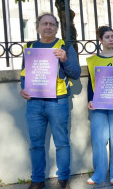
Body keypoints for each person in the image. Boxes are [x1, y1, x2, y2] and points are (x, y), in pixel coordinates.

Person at [19, 13, 81, 189]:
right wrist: (23, 88)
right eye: (44, 24)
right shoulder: (30, 47)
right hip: (34, 102)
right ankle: (37, 180)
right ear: (38, 27)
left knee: (61, 143)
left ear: (56, 27)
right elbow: (24, 72)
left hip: (58, 101)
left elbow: (75, 73)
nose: (48, 27)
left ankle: (63, 180)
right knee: (36, 144)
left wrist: (64, 59)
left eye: (52, 24)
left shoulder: (65, 47)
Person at [86, 26, 113, 186]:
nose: (111, 39)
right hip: (99, 102)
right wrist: (90, 99)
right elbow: (91, 82)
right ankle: (99, 174)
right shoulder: (92, 60)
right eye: (107, 37)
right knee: (98, 139)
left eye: (112, 36)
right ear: (100, 40)